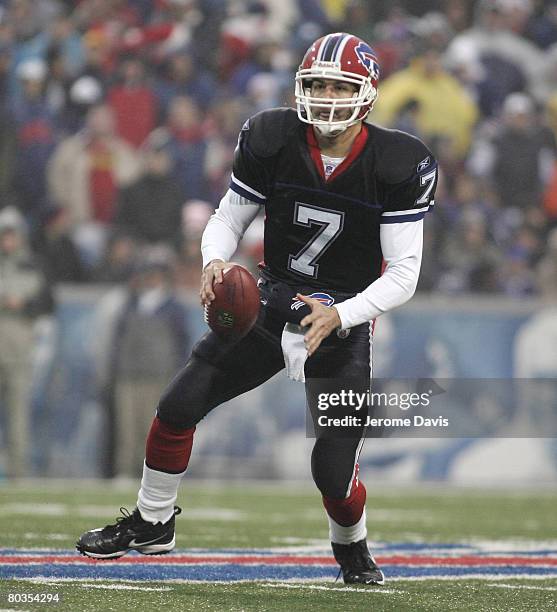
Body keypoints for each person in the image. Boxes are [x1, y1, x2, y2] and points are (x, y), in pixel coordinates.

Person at [76, 32, 438, 586]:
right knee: (178, 404)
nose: (324, 96)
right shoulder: (272, 135)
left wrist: (342, 315)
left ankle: (353, 548)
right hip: (272, 301)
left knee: (333, 473)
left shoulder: (398, 161)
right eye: (315, 83)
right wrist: (214, 262)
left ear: (365, 93)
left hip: (341, 321)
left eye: (338, 86)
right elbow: (228, 217)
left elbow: (405, 274)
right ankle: (152, 522)